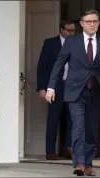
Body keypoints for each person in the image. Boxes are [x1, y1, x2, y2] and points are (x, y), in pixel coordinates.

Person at [45, 9, 100, 176]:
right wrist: (51, 88)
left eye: (95, 21)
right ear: (82, 24)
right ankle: (79, 163)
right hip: (75, 91)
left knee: (92, 130)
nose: (92, 24)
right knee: (78, 127)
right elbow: (58, 65)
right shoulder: (71, 42)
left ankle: (88, 162)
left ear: (98, 23)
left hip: (96, 91)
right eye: (88, 21)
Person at [36, 20, 75, 160]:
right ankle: (50, 151)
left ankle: (68, 149)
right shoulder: (50, 43)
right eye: (69, 30)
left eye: (73, 31)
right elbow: (42, 66)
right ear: (61, 30)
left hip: (71, 86)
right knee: (53, 118)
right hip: (55, 86)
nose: (71, 33)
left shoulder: (77, 43)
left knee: (72, 118)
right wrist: (42, 88)